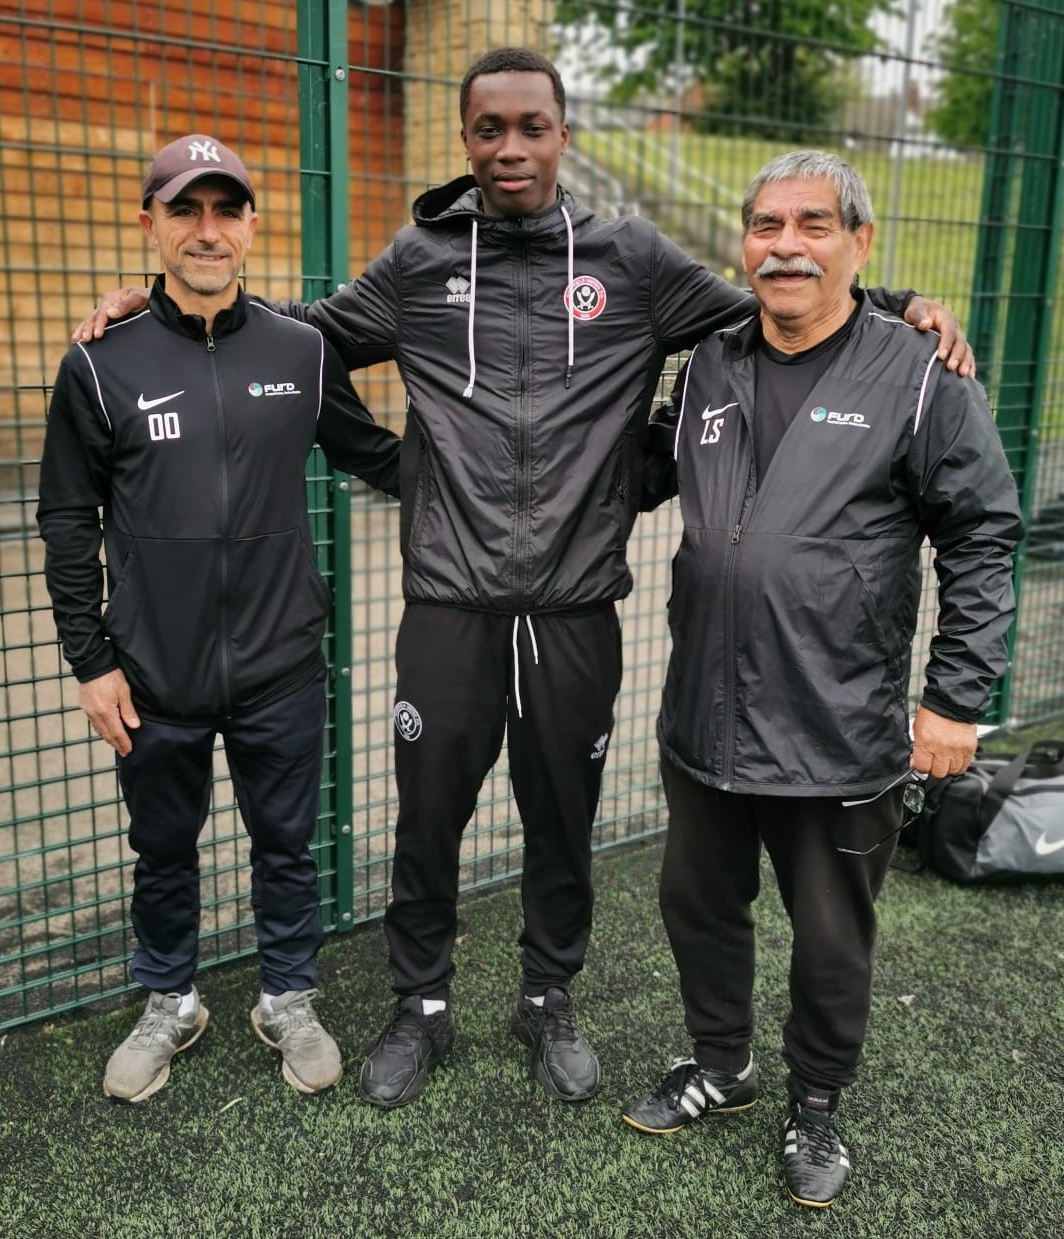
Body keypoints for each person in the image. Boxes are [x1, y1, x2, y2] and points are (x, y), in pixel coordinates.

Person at [73, 50, 972, 1111]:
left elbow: (767, 301)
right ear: (466, 139)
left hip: (574, 609)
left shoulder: (630, 257)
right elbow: (302, 339)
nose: (510, 148)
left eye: (532, 127)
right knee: (426, 821)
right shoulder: (416, 261)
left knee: (562, 819)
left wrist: (900, 303)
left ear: (561, 133)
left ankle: (549, 997)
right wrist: (179, 304)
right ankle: (420, 1006)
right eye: (489, 128)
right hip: (449, 606)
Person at [620, 151, 1023, 1207]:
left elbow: (983, 535)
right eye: (764, 226)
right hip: (704, 714)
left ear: (857, 243)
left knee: (832, 933)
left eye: (811, 225)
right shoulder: (708, 360)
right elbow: (647, 470)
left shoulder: (922, 375)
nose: (784, 245)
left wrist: (955, 700)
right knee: (696, 906)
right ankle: (722, 1063)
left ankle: (817, 1103)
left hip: (838, 726)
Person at [38, 134, 401, 1102]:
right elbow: (68, 519)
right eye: (185, 209)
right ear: (148, 222)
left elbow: (381, 457)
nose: (208, 230)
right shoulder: (101, 364)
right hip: (153, 671)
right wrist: (90, 660)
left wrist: (518, 467)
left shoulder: (300, 348)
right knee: (162, 850)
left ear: (251, 225)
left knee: (287, 844)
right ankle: (169, 1001)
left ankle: (287, 996)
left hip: (283, 660)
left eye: (226, 209)